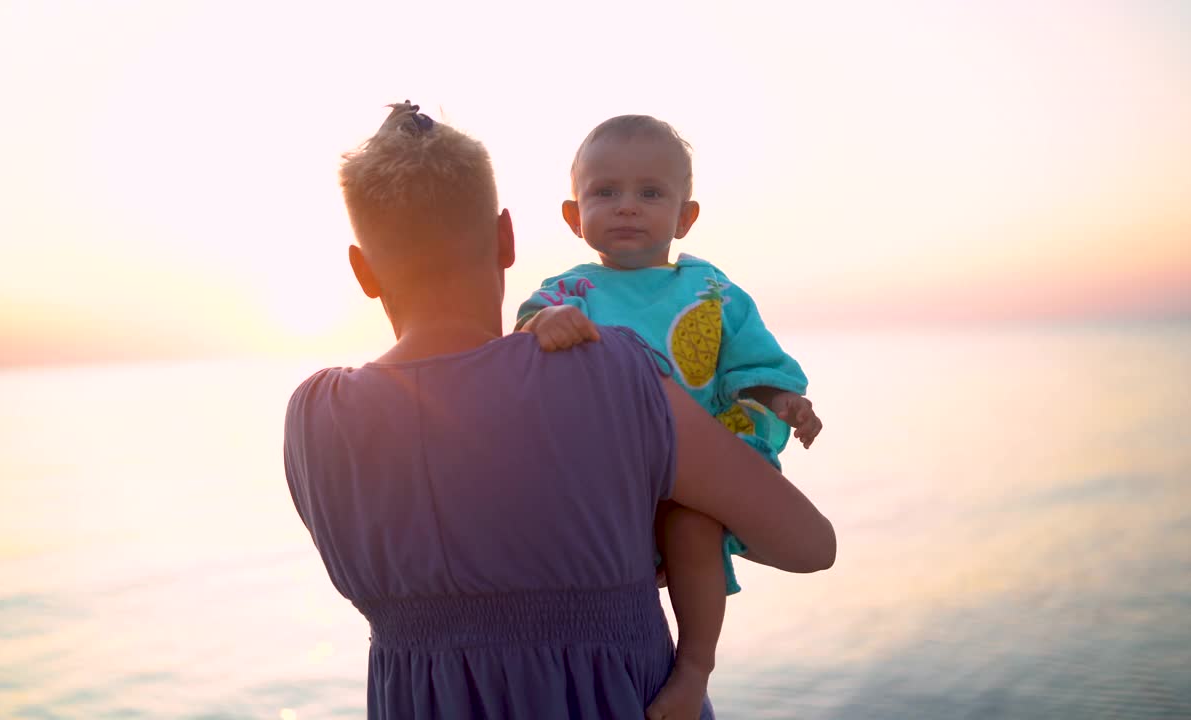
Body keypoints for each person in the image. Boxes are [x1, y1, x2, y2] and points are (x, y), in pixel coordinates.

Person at [283, 102, 836, 720]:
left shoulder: (313, 419)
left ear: (362, 271)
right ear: (506, 239)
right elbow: (810, 546)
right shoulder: (616, 375)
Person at [515, 114, 823, 709]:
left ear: (685, 217)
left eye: (650, 193)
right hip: (606, 481)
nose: (627, 206)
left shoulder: (712, 292)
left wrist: (783, 401)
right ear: (575, 217)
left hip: (692, 476)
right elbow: (527, 331)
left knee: (693, 531)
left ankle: (694, 672)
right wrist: (543, 324)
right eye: (605, 192)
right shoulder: (569, 292)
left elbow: (751, 366)